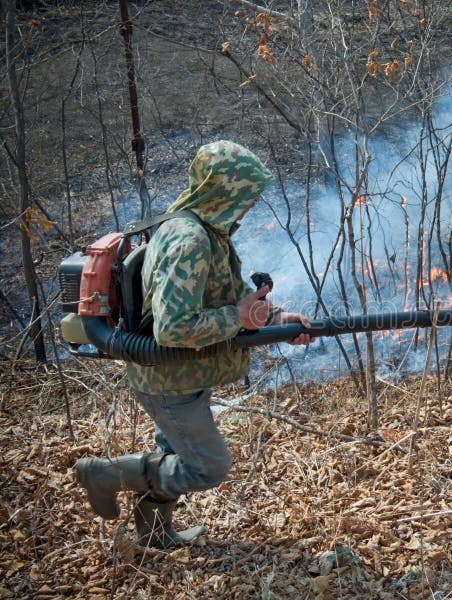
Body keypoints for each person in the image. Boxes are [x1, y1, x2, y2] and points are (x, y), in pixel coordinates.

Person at [75, 141, 312, 549]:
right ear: (221, 189)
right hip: (171, 381)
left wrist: (277, 320)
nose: (251, 205)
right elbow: (173, 329)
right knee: (206, 467)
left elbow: (232, 299)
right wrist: (236, 319)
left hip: (187, 374)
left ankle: (153, 534)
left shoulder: (208, 231)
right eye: (245, 195)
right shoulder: (190, 240)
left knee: (170, 452)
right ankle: (103, 474)